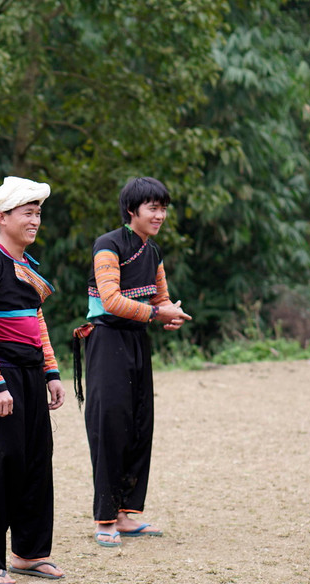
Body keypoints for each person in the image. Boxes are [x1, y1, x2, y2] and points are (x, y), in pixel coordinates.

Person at [71, 176, 192, 549]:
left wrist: (170, 315)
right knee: (110, 425)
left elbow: (161, 299)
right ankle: (104, 518)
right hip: (106, 341)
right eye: (153, 207)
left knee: (139, 424)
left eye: (163, 208)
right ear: (131, 210)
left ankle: (126, 515)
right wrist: (158, 313)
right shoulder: (108, 245)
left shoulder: (151, 251)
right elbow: (110, 300)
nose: (160, 215)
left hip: (137, 341)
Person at [0, 176, 67, 584]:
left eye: (39, 213)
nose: (36, 220)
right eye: (28, 212)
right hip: (0, 379)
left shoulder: (27, 268)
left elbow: (37, 323)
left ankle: (30, 553)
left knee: (36, 464)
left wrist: (52, 373)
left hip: (30, 377)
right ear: (2, 217)